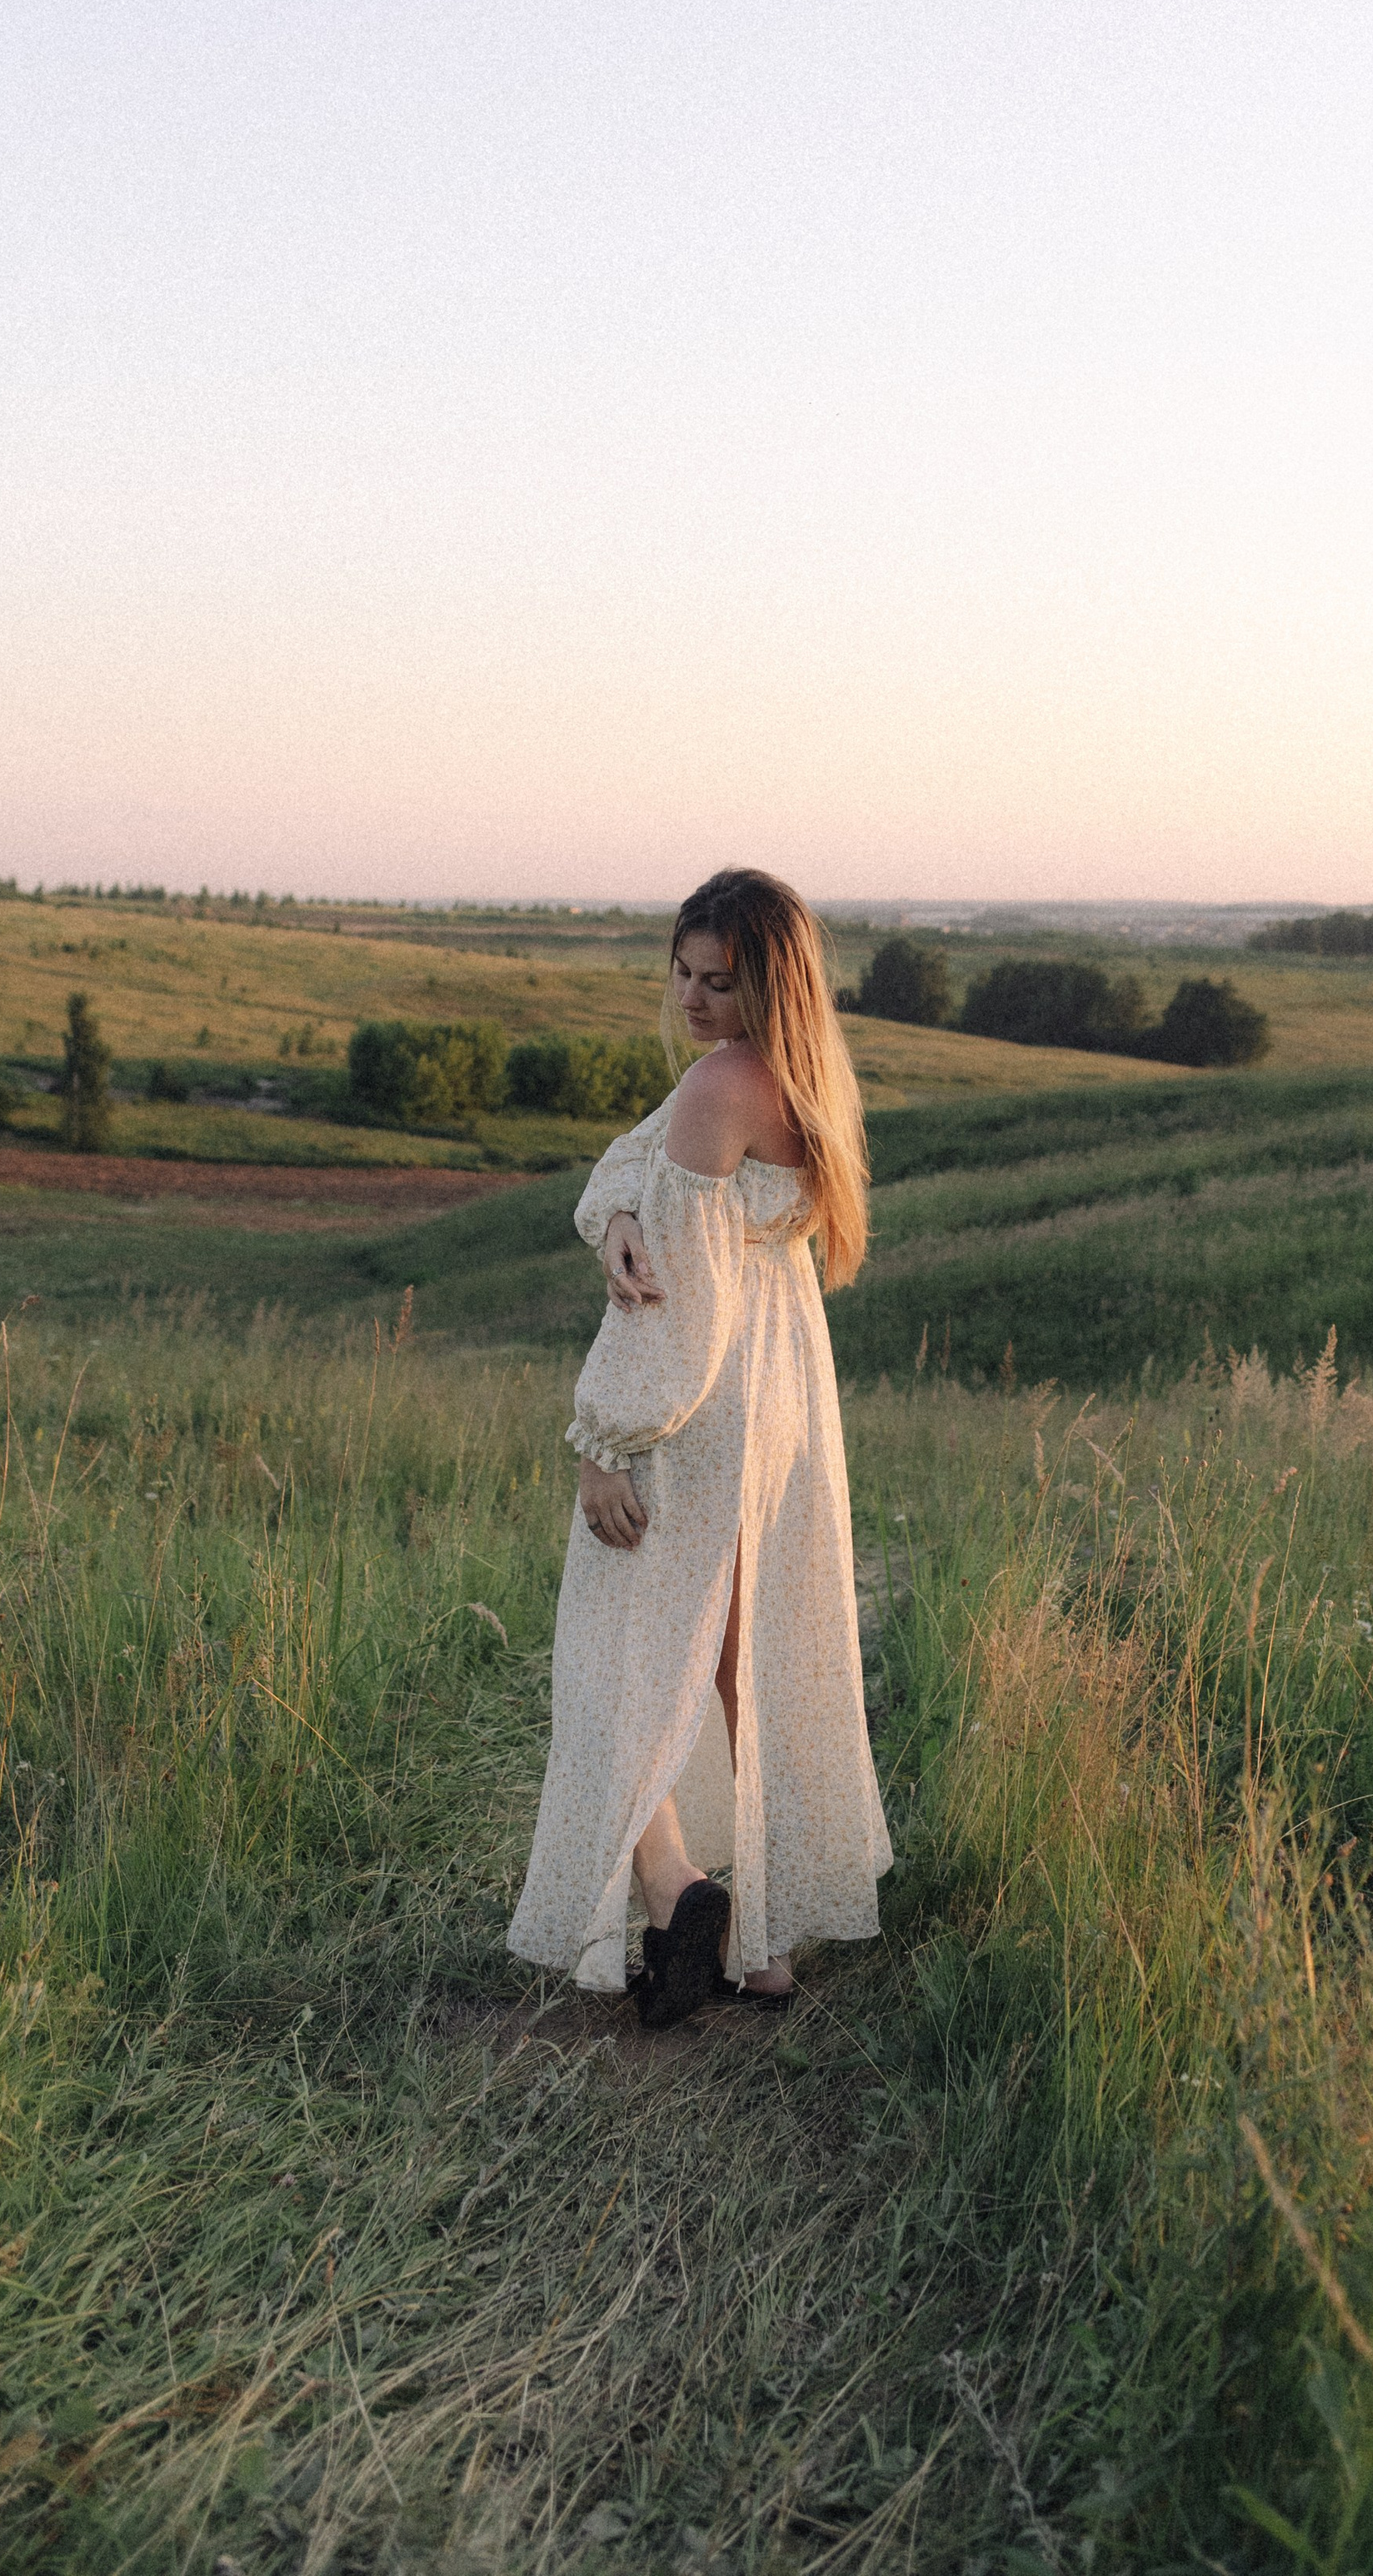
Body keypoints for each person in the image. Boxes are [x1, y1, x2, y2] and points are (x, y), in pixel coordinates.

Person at [507, 868, 891, 2026]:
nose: (690, 998)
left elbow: (673, 1305)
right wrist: (621, 1214)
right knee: (743, 1654)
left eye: (720, 982)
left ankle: (676, 1894)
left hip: (700, 1400)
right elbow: (630, 1168)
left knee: (615, 1657)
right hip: (782, 1385)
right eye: (681, 971)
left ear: (770, 987)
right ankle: (761, 1950)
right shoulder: (802, 1079)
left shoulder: (718, 1086)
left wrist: (602, 1439)